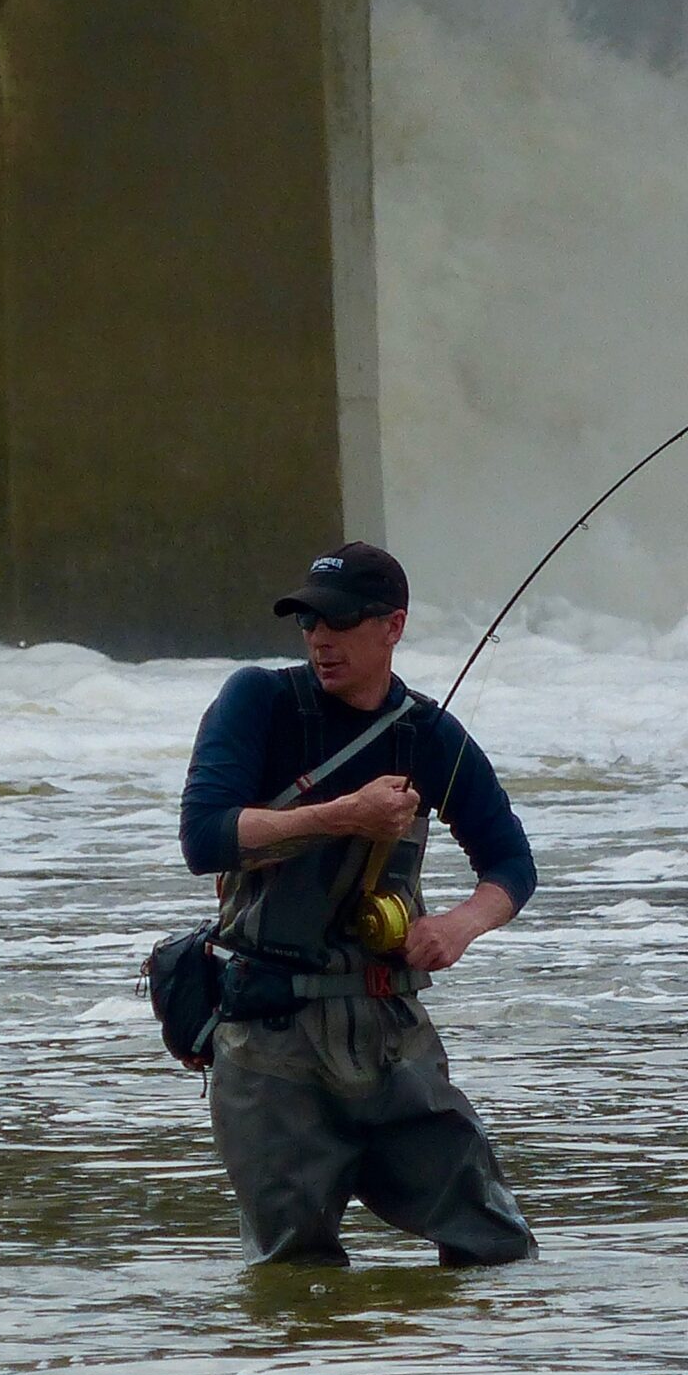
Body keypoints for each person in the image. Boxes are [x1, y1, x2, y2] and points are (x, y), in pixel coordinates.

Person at [177, 542, 537, 1268]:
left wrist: (460, 926)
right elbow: (205, 837)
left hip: (391, 1039)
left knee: (496, 1245)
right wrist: (339, 816)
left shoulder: (431, 736)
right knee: (294, 1275)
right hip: (269, 1036)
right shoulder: (259, 701)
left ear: (392, 626)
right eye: (309, 622)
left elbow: (510, 863)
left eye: (338, 623)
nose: (319, 639)